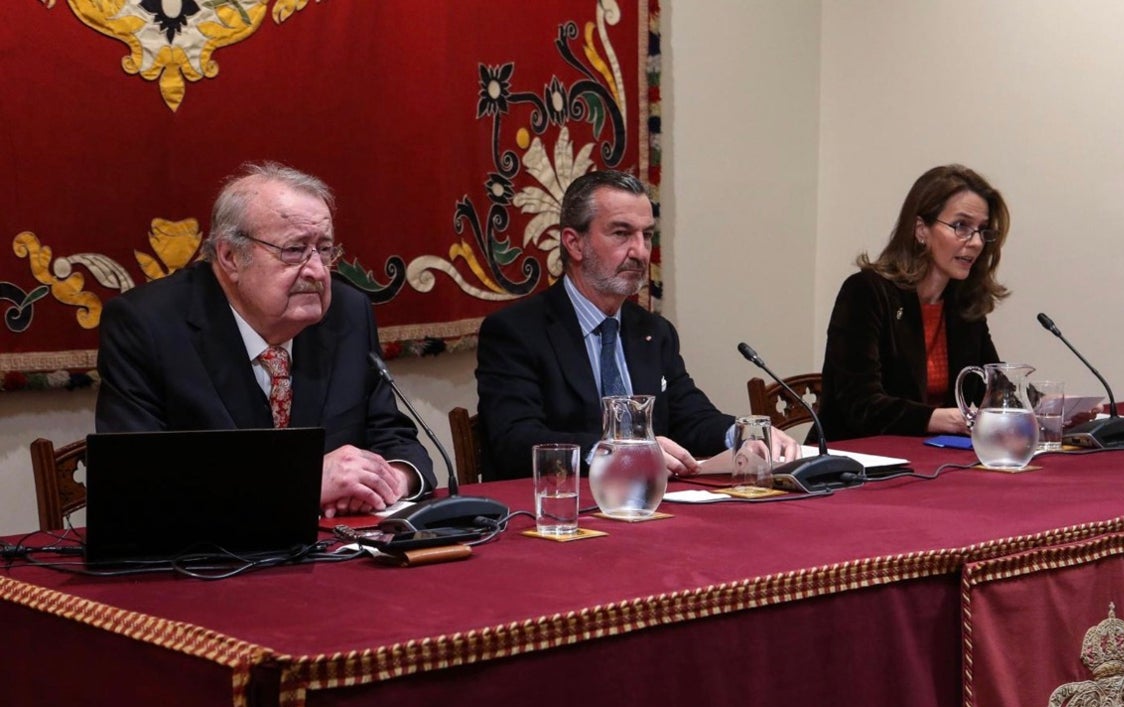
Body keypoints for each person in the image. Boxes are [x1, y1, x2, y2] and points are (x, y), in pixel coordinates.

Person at [95, 161, 436, 517]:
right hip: (206, 560)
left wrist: (389, 480)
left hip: (337, 551)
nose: (317, 272)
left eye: (324, 250)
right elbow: (138, 482)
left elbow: (394, 438)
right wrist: (304, 482)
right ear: (229, 257)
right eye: (294, 250)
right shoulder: (147, 326)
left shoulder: (348, 314)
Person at [476, 169, 799, 480]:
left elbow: (691, 417)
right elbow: (515, 440)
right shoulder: (517, 332)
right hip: (561, 510)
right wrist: (618, 453)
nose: (640, 252)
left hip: (650, 506)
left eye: (646, 235)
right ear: (574, 243)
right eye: (621, 233)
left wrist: (744, 434)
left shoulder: (654, 332)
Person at [816, 164, 1010, 441]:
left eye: (982, 230)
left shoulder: (962, 304)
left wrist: (1057, 405)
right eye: (961, 226)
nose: (977, 242)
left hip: (933, 459)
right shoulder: (866, 292)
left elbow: (994, 390)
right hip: (857, 460)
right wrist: (941, 418)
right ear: (921, 230)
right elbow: (860, 405)